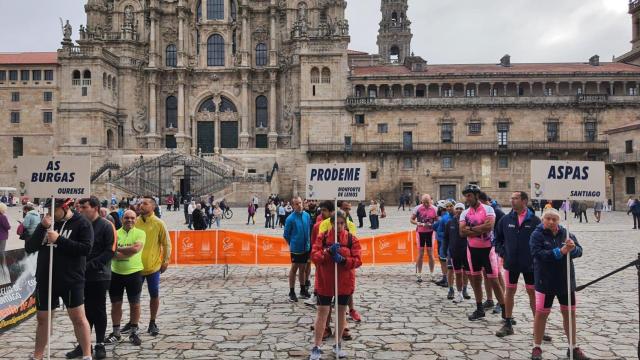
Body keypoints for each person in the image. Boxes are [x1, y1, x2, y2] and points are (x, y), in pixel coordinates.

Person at [26, 198, 93, 360]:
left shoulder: (81, 223)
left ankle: (87, 355)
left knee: (78, 318)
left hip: (70, 279)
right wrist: (42, 227)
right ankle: (38, 356)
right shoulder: (46, 223)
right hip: (45, 278)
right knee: (42, 318)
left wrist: (59, 239)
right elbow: (30, 248)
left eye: (52, 210)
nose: (49, 214)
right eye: (47, 210)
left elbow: (85, 249)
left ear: (65, 207)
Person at [529, 208, 590, 360]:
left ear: (559, 221)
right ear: (543, 220)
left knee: (569, 314)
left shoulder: (566, 233)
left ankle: (573, 347)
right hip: (545, 281)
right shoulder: (537, 235)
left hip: (566, 281)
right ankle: (537, 347)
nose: (551, 221)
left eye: (554, 219)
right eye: (548, 218)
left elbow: (580, 251)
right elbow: (538, 254)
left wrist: (573, 248)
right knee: (542, 314)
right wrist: (560, 251)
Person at [67, 197, 116, 359]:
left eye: (84, 207)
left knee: (98, 310)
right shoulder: (79, 224)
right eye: (79, 207)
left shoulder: (106, 225)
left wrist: (89, 265)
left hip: (99, 275)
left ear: (95, 208)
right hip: (80, 275)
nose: (80, 209)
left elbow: (110, 252)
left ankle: (100, 343)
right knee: (83, 312)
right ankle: (84, 345)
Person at [309, 210, 362, 360]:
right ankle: (317, 347)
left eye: (341, 223)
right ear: (331, 224)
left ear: (345, 224)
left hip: (344, 282)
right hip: (325, 281)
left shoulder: (352, 239)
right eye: (335, 223)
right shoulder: (322, 237)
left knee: (340, 314)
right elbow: (314, 256)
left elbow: (358, 260)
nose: (338, 226)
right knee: (322, 314)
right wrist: (326, 252)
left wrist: (345, 261)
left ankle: (337, 344)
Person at [493, 192, 547, 340]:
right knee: (509, 291)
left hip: (530, 265)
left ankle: (539, 327)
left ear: (524, 201)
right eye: (511, 198)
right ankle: (508, 323)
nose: (512, 201)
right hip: (511, 263)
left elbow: (543, 241)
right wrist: (502, 252)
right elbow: (497, 239)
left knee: (532, 293)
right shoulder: (505, 220)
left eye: (515, 198)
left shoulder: (536, 221)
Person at [459, 184, 505, 322]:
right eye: (466, 196)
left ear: (477, 195)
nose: (467, 199)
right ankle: (479, 309)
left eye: (469, 196)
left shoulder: (488, 209)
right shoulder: (464, 212)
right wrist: (479, 229)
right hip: (472, 250)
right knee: (476, 280)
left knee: (494, 281)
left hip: (488, 250)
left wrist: (470, 229)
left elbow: (489, 226)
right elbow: (461, 232)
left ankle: (505, 310)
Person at [105, 210, 146, 347]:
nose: (130, 220)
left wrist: (118, 251)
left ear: (136, 219)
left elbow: (136, 249)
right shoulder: (115, 233)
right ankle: (116, 333)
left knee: (135, 304)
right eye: (127, 218)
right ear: (122, 219)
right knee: (116, 305)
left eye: (132, 218)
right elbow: (110, 252)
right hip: (116, 274)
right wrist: (125, 251)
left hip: (134, 273)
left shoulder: (140, 233)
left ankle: (134, 332)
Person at [136, 197, 171, 337]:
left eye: (145, 203)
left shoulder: (158, 223)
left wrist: (166, 261)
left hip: (153, 267)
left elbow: (166, 243)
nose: (141, 205)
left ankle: (152, 321)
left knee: (154, 293)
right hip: (136, 267)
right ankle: (134, 322)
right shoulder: (135, 222)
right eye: (140, 203)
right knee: (134, 297)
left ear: (153, 206)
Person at [283, 197, 312, 302]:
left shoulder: (307, 215)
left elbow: (309, 229)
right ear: (293, 205)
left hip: (306, 247)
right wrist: (292, 244)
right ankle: (291, 291)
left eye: (300, 203)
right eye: (296, 204)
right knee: (294, 268)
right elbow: (286, 235)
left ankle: (303, 289)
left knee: (303, 269)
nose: (299, 205)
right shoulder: (290, 218)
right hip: (296, 248)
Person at [442, 202, 470, 303]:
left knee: (465, 272)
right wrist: (444, 250)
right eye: (457, 208)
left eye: (461, 209)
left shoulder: (468, 222)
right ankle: (452, 290)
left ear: (464, 210)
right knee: (451, 270)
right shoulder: (450, 222)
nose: (458, 210)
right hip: (453, 251)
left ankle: (465, 289)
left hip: (466, 251)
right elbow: (445, 238)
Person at [410, 194, 438, 282]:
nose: (426, 204)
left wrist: (432, 225)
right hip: (420, 232)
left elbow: (438, 220)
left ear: (431, 200)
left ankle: (432, 273)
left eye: (428, 202)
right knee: (420, 253)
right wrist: (418, 223)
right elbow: (411, 219)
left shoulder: (435, 209)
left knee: (430, 253)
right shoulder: (417, 208)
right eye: (424, 202)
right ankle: (419, 273)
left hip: (430, 232)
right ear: (421, 201)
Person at [434, 201, 454, 289]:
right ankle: (445, 278)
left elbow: (436, 228)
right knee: (443, 260)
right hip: (442, 241)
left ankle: (447, 280)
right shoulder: (443, 218)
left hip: (444, 242)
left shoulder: (444, 218)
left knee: (446, 261)